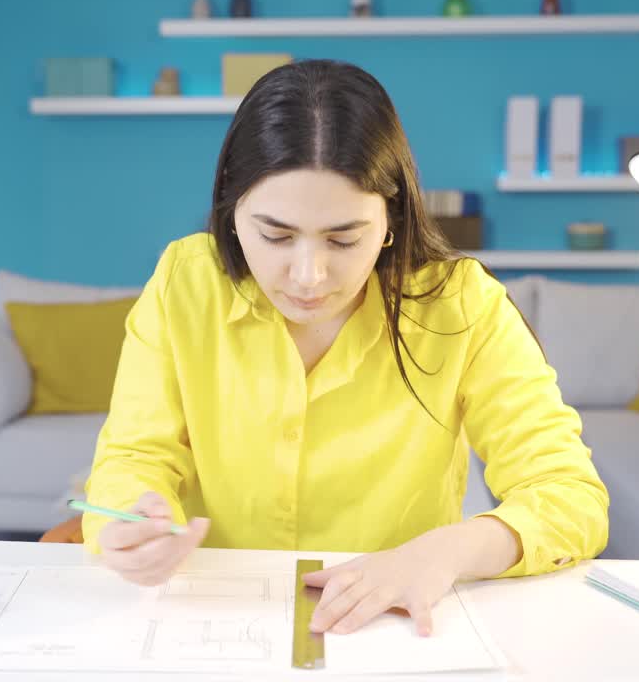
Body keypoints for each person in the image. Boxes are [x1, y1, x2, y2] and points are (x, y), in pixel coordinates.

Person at [81, 59, 609, 637]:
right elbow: (134, 457)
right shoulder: (184, 282)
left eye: (344, 238)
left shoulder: (464, 306)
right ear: (232, 215)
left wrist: (449, 551)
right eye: (275, 235)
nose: (308, 275)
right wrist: (131, 518)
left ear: (391, 220)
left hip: (390, 630)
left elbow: (569, 496)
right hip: (217, 623)